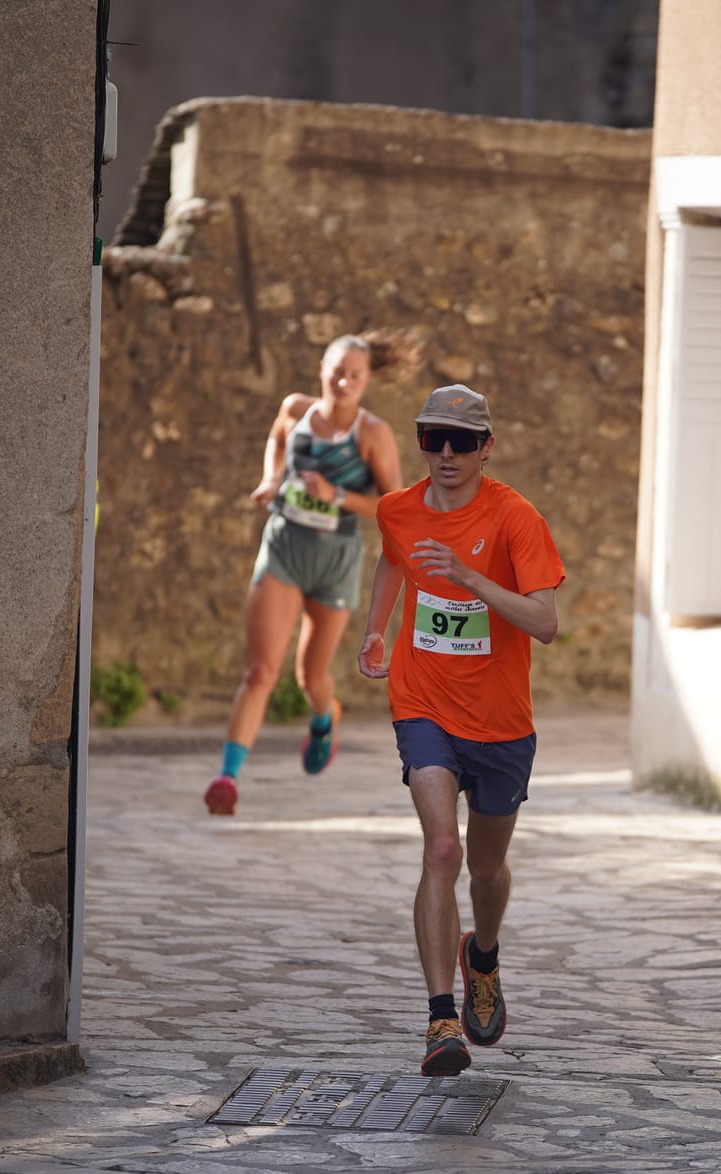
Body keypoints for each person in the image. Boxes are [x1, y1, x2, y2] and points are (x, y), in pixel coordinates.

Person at [356, 383, 565, 1076]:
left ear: (486, 447)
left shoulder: (514, 518)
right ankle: (440, 1016)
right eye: (432, 436)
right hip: (425, 707)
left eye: (462, 440)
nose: (446, 452)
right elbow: (394, 556)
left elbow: (545, 622)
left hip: (502, 723)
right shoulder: (399, 510)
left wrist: (473, 578)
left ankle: (484, 953)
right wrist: (376, 631)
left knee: (486, 867)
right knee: (442, 847)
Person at [203, 331, 410, 815]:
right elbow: (277, 439)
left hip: (335, 559)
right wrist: (271, 479)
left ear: (367, 380)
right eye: (337, 370)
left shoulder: (372, 434)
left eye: (355, 375)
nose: (344, 381)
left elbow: (393, 505)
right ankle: (227, 777)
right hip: (284, 547)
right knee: (260, 670)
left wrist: (334, 496)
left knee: (309, 675)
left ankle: (324, 716)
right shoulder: (296, 408)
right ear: (322, 367)